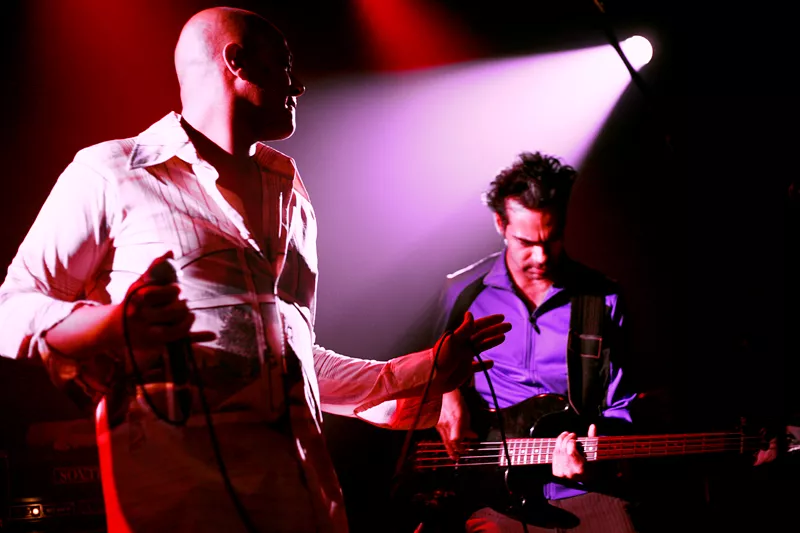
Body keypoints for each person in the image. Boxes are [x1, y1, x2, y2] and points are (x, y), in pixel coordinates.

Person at [0, 7, 511, 533]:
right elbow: (11, 310)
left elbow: (293, 362)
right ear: (237, 62)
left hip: (306, 507)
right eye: (285, 64)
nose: (300, 85)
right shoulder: (114, 173)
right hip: (182, 511)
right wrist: (112, 326)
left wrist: (424, 370)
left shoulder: (289, 191)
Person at [423, 152, 639, 533]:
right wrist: (446, 395)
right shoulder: (463, 292)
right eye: (526, 242)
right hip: (486, 491)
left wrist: (594, 452)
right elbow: (426, 370)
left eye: (552, 239)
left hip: (582, 488)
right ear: (500, 224)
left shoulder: (602, 300)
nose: (540, 256)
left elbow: (622, 407)